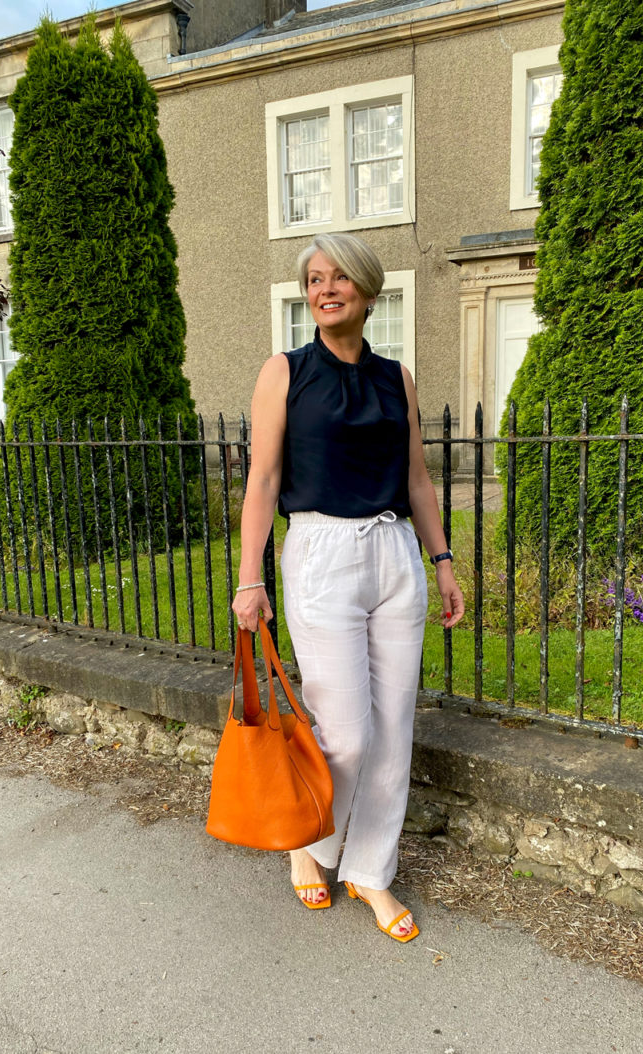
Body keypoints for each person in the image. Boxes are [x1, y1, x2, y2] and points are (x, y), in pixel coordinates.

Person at [231, 232, 464, 943]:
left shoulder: (397, 378)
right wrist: (250, 579)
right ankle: (312, 843)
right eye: (314, 280)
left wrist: (443, 560)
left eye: (339, 279)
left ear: (366, 290)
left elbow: (418, 478)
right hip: (322, 550)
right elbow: (264, 480)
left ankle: (371, 870)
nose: (325, 289)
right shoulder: (285, 371)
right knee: (347, 733)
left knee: (394, 728)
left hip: (394, 552)